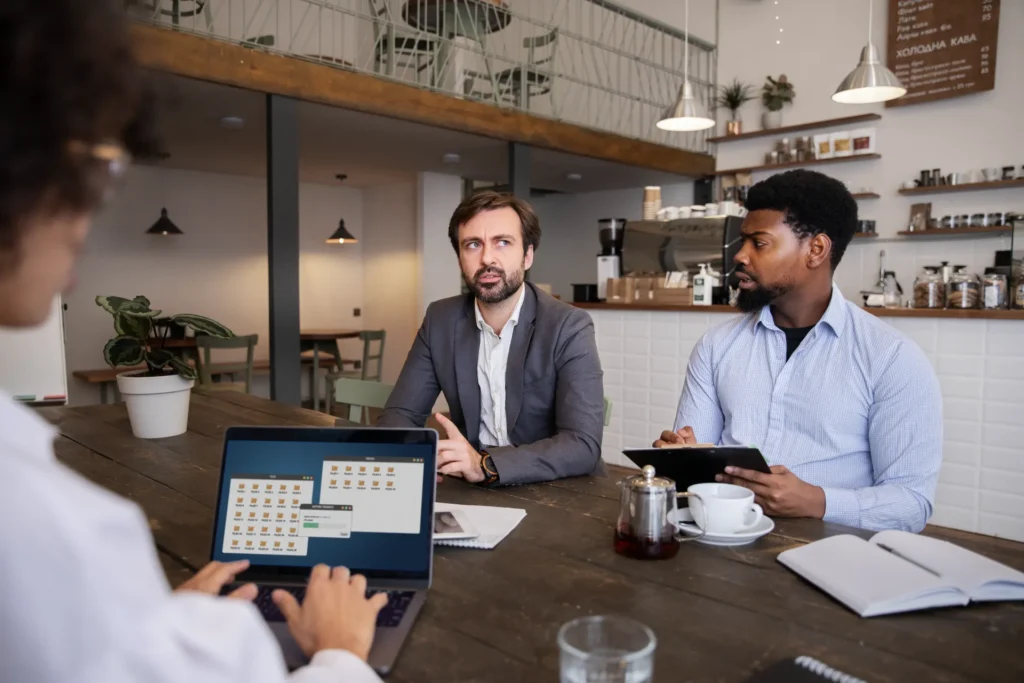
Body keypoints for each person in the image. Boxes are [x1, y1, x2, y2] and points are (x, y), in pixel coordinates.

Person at [0, 2, 385, 681]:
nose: (89, 215)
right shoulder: (48, 530)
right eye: (95, 168)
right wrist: (340, 656)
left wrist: (140, 626)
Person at [654, 170, 942, 533]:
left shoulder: (892, 358)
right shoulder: (716, 346)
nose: (739, 256)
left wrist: (816, 501)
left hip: (834, 555)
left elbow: (912, 504)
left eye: (759, 243)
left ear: (816, 250)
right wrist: (681, 457)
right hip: (723, 543)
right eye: (743, 242)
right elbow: (697, 458)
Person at [378, 190, 604, 486]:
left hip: (553, 488)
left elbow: (582, 444)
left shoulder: (568, 325)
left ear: (528, 255)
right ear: (460, 259)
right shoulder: (440, 320)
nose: (487, 258)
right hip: (470, 485)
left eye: (503, 242)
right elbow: (401, 414)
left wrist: (485, 465)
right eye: (473, 245)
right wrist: (412, 457)